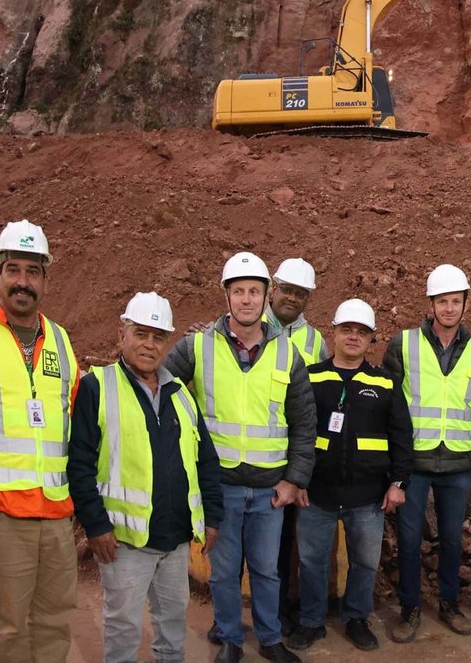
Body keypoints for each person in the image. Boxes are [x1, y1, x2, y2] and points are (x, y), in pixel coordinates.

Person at [166, 252, 314, 663]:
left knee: (267, 571)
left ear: (267, 296)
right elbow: (158, 390)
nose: (246, 300)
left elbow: (305, 425)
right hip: (222, 488)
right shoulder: (197, 347)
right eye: (238, 292)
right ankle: (231, 639)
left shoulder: (287, 354)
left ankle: (269, 639)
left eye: (254, 291)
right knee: (226, 572)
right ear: (226, 296)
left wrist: (294, 479)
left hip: (270, 491)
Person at [68, 292, 224, 663]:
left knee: (172, 624)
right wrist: (95, 525)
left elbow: (205, 460)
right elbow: (79, 464)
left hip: (175, 539)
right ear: (122, 333)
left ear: (167, 342)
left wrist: (213, 517)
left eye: (157, 337)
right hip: (122, 543)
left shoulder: (181, 395)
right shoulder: (98, 387)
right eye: (140, 333)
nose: (149, 345)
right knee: (123, 627)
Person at [0, 220, 80, 663]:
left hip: (56, 513)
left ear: (45, 279)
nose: (22, 281)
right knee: (10, 627)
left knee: (54, 621)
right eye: (13, 269)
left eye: (32, 271)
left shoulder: (60, 341)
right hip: (1, 511)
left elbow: (71, 422)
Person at [289, 299, 414, 652]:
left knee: (364, 562)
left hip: (368, 497)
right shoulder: (311, 378)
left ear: (371, 338)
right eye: (347, 330)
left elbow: (401, 436)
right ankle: (311, 621)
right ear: (334, 332)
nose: (354, 337)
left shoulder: (386, 383)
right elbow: (295, 431)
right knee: (312, 562)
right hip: (316, 494)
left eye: (362, 332)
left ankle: (356, 618)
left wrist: (399, 482)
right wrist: (296, 480)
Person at [384, 263, 471, 641]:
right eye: (442, 301)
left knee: (452, 540)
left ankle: (449, 602)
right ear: (430, 303)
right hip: (415, 462)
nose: (449, 308)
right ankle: (409, 608)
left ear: (464, 304)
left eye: (455, 301)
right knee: (409, 539)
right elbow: (391, 403)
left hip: (456, 461)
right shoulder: (404, 344)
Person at [263, 256, 325, 637]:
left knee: (283, 543)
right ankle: (229, 620)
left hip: (289, 462)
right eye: (287, 290)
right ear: (274, 288)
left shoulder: (314, 341)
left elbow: (314, 406)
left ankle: (280, 609)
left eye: (300, 294)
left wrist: (302, 470)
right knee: (235, 546)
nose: (292, 298)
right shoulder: (245, 324)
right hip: (246, 454)